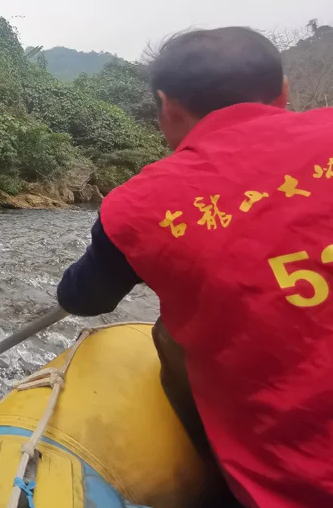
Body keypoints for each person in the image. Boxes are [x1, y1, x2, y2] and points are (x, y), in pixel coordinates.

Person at [56, 27, 333, 508]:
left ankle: (208, 474)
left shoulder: (139, 204)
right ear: (285, 92)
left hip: (295, 489)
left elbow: (85, 298)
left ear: (167, 107)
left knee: (169, 332)